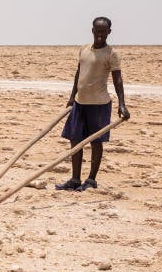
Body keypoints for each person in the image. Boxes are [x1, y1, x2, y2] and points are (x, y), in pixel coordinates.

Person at [56, 16, 130, 192]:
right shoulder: (84, 49)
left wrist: (122, 104)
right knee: (75, 140)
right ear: (92, 31)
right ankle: (75, 179)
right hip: (80, 103)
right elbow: (78, 74)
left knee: (96, 141)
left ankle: (91, 180)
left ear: (109, 32)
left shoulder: (111, 54)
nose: (100, 35)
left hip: (99, 104)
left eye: (103, 32)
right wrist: (72, 96)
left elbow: (117, 79)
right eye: (97, 31)